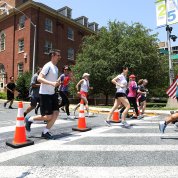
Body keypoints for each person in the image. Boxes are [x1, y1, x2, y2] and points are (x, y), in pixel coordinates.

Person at [25, 49, 61, 140]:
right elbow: (39, 79)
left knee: (56, 114)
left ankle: (45, 132)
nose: (60, 57)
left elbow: (52, 81)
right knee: (48, 117)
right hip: (45, 94)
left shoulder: (56, 68)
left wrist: (57, 83)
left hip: (52, 94)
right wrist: (52, 83)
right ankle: (29, 119)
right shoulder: (47, 66)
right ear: (53, 55)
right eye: (58, 55)